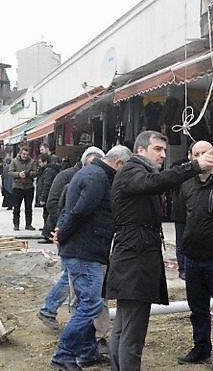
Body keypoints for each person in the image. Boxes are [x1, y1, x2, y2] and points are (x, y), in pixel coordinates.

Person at [106, 130, 213, 370]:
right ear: (140, 150)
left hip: (133, 254)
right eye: (157, 149)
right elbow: (154, 183)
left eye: (165, 150)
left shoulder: (136, 171)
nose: (163, 155)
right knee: (131, 333)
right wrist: (193, 166)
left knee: (123, 327)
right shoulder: (133, 171)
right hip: (135, 257)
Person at [51, 145, 132, 370]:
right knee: (90, 305)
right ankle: (64, 355)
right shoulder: (98, 178)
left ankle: (87, 353)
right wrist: (63, 235)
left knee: (88, 304)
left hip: (82, 251)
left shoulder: (89, 173)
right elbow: (79, 212)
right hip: (85, 252)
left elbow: (72, 210)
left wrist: (62, 233)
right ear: (118, 164)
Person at [175, 141, 213, 370]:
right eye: (196, 154)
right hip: (192, 259)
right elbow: (180, 222)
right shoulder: (186, 184)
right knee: (198, 310)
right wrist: (180, 257)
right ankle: (201, 348)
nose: (201, 157)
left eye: (206, 152)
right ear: (190, 157)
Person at [38, 147, 105, 323]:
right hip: (67, 234)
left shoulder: (99, 180)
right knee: (71, 276)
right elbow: (54, 204)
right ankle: (57, 311)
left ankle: (50, 309)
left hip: (80, 236)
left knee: (69, 275)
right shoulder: (66, 177)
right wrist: (60, 229)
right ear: (84, 163)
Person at [8, 147, 37, 231]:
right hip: (17, 187)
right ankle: (16, 224)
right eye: (24, 154)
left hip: (29, 187)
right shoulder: (14, 161)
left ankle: (28, 224)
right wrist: (18, 174)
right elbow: (10, 172)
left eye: (27, 155)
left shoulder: (32, 161)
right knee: (16, 207)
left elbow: (35, 172)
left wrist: (27, 174)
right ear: (20, 153)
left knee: (28, 207)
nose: (25, 156)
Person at [35, 153, 60, 240]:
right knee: (47, 215)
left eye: (40, 162)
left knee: (47, 215)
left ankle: (48, 235)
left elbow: (46, 185)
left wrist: (42, 198)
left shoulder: (48, 171)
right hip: (50, 196)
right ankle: (48, 232)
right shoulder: (49, 169)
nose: (39, 164)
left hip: (49, 196)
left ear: (45, 162)